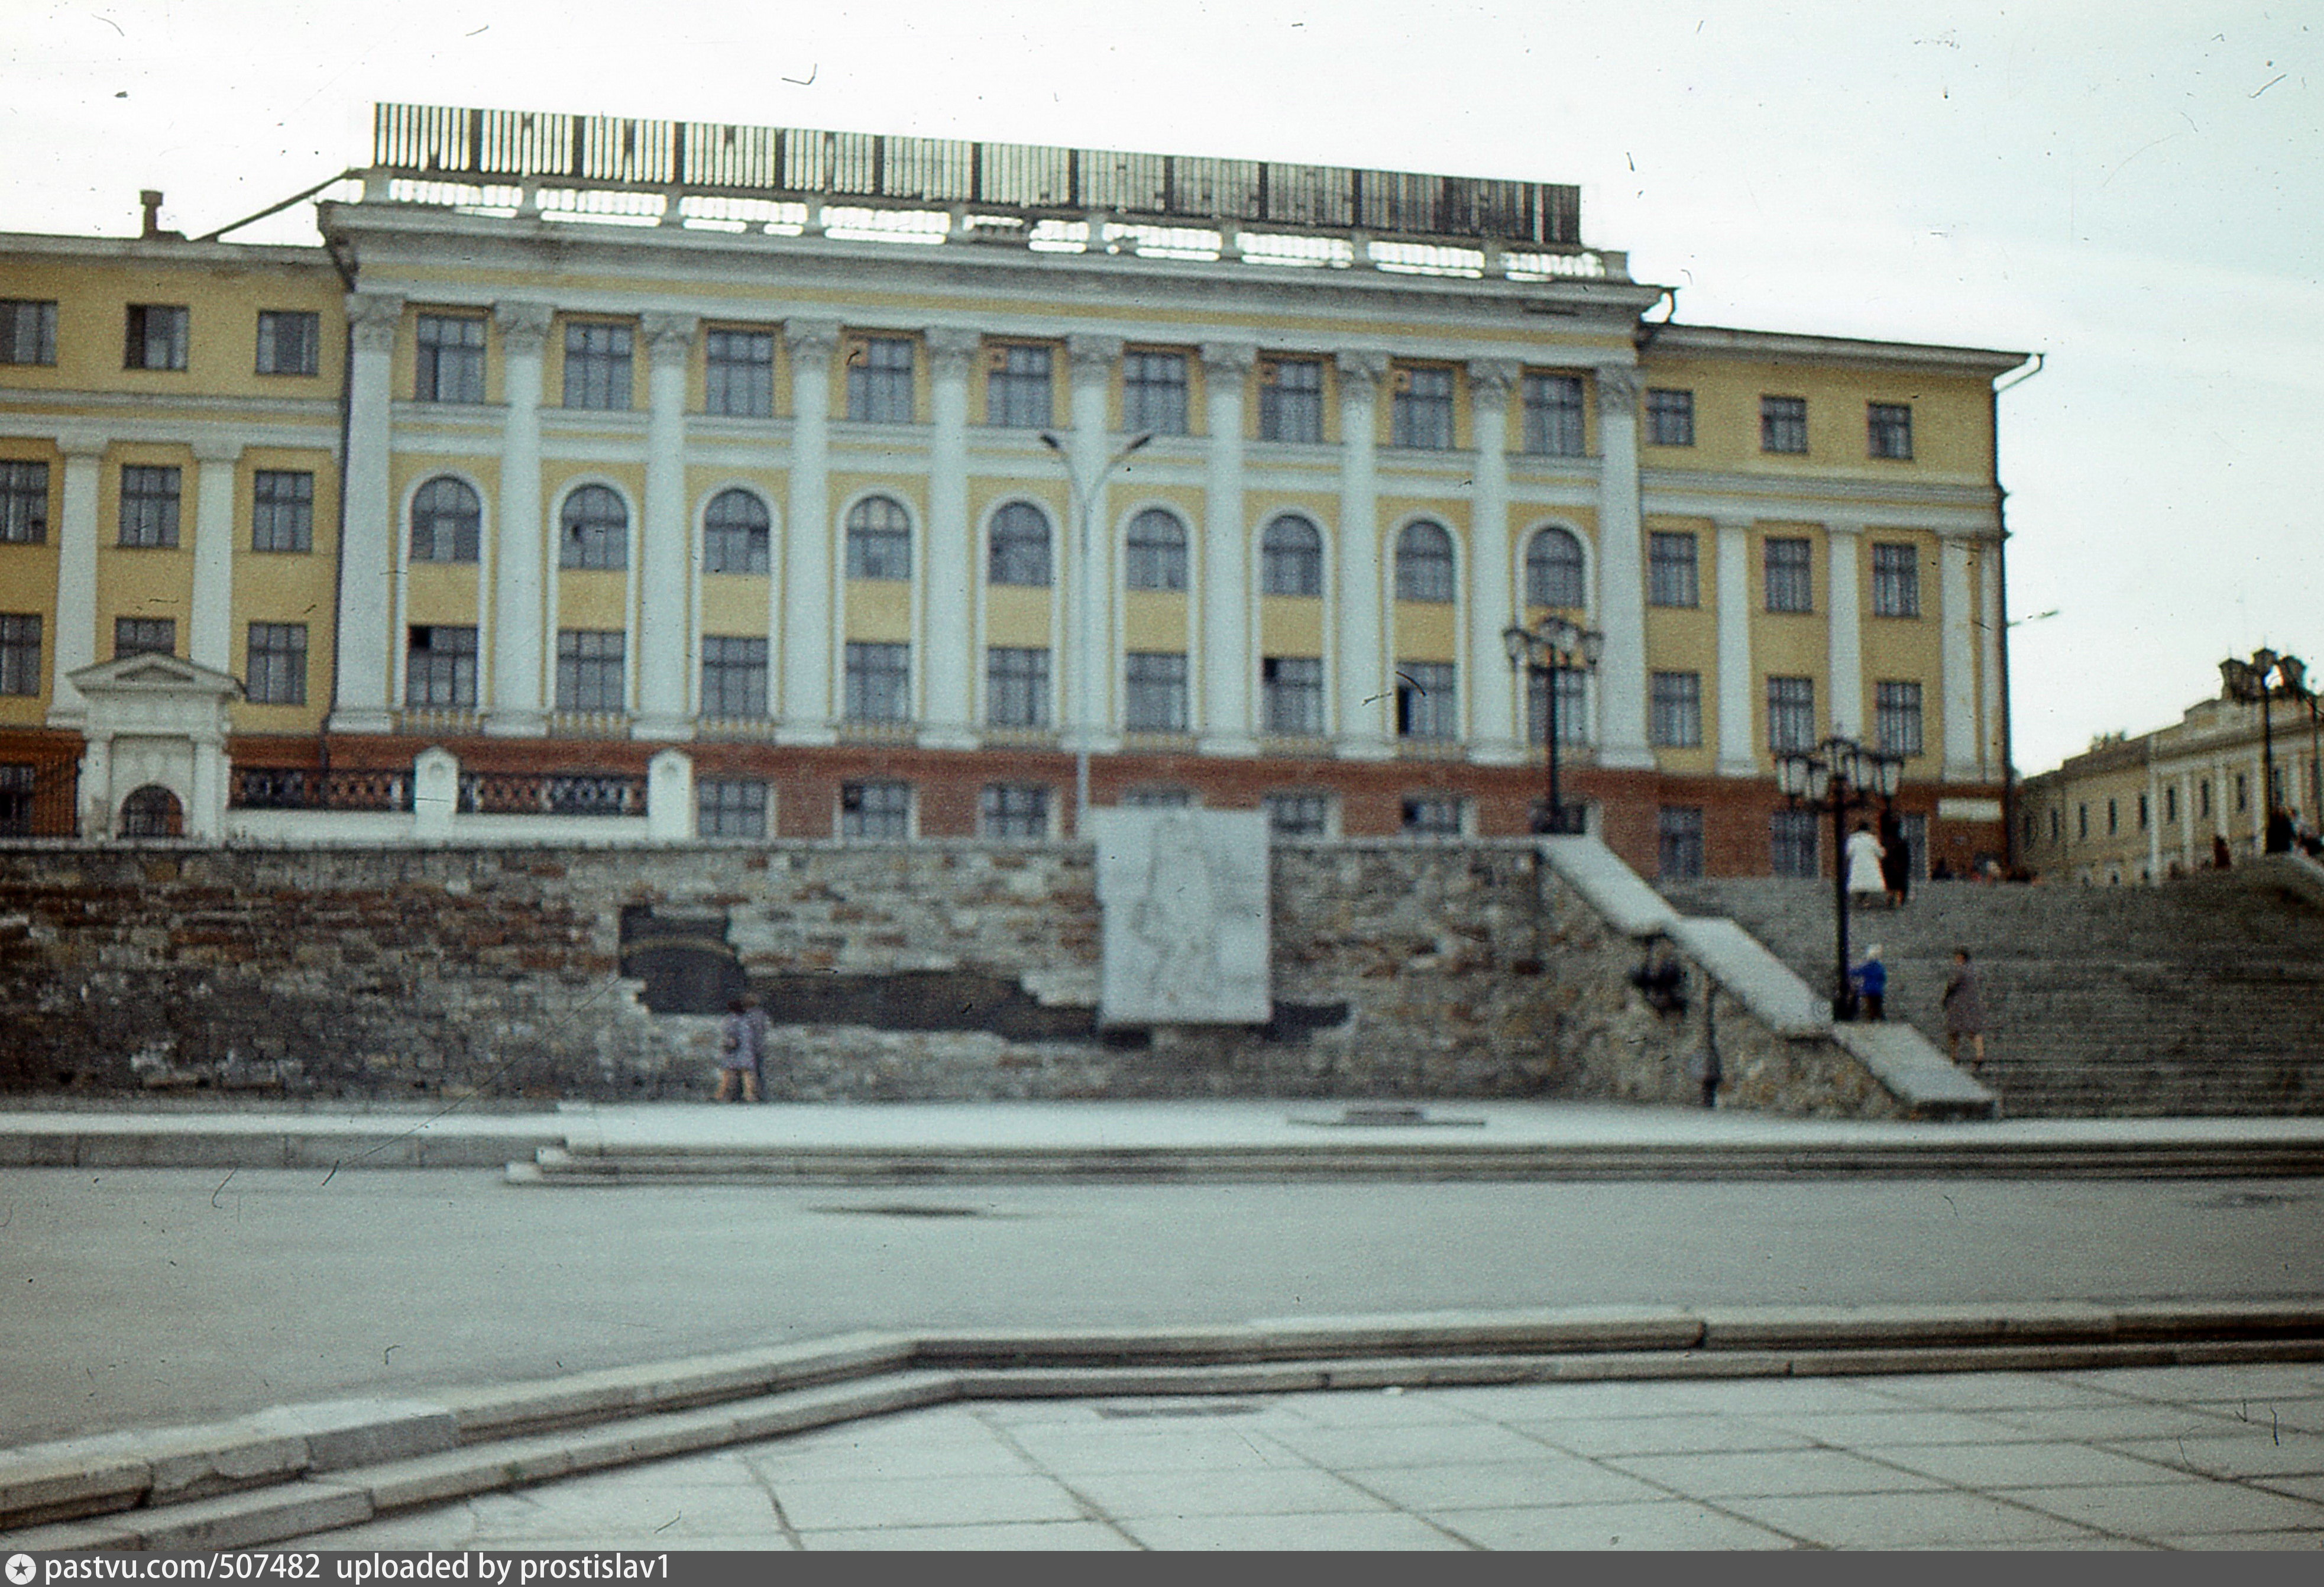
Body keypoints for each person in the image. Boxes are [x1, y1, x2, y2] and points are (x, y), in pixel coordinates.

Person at [1941, 948, 1986, 1072]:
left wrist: (1945, 998)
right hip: (1972, 1004)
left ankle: (1954, 1056)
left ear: (1961, 957)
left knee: (1954, 1031)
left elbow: (1952, 985)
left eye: (1957, 957)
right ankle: (1980, 1055)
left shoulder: (1959, 970)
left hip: (1958, 1006)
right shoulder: (1973, 971)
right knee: (1973, 1031)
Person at [716, 998, 761, 1103]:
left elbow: (730, 1036)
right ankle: (750, 1096)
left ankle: (722, 1095)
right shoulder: (747, 1020)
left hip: (734, 1051)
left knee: (729, 1073)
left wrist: (726, 1045)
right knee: (747, 1073)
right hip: (747, 1050)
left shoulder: (731, 1020)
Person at [1845, 821, 1887, 908]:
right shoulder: (1872, 840)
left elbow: (1848, 853)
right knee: (1869, 883)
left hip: (1857, 864)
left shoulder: (1853, 839)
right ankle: (1865, 901)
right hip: (1870, 864)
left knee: (1859, 882)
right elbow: (1880, 853)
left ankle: (1860, 900)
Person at [1878, 802, 1911, 908]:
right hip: (1899, 868)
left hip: (1889, 867)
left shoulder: (1884, 842)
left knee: (1891, 884)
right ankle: (1897, 901)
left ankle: (1891, 899)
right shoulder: (1901, 842)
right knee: (1899, 884)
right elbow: (1906, 858)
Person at [742, 993, 772, 1102]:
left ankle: (749, 1094)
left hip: (747, 1047)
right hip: (759, 1046)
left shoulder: (746, 1016)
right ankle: (761, 1094)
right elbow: (766, 1028)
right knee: (759, 1072)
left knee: (748, 1071)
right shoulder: (762, 1015)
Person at [1850, 944, 1887, 1022]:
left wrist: (1848, 972)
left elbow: (1857, 972)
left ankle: (1871, 1019)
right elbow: (1883, 978)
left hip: (1869, 990)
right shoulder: (1880, 967)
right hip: (1878, 990)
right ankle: (1881, 1018)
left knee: (1870, 1006)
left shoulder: (1867, 967)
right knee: (1878, 1005)